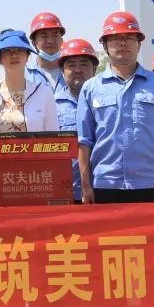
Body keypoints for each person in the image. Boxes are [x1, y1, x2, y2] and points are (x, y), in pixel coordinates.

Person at [77, 11, 154, 204]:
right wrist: (86, 185)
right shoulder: (91, 88)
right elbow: (84, 141)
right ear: (105, 45)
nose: (123, 43)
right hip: (106, 185)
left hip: (153, 183)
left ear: (139, 44)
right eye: (115, 38)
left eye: (129, 37)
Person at [0, 29, 58, 133]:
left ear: (27, 56)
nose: (14, 55)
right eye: (7, 50)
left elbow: (53, 135)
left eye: (19, 50)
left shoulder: (43, 93)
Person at [54, 38, 97, 203]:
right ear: (62, 71)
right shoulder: (51, 104)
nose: (78, 70)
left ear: (94, 69)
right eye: (71, 65)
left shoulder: (107, 102)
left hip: (102, 189)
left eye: (84, 64)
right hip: (65, 192)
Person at [27, 11, 67, 90]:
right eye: (44, 36)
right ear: (34, 43)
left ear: (61, 40)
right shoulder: (25, 74)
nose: (50, 41)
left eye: (55, 35)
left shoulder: (73, 71)